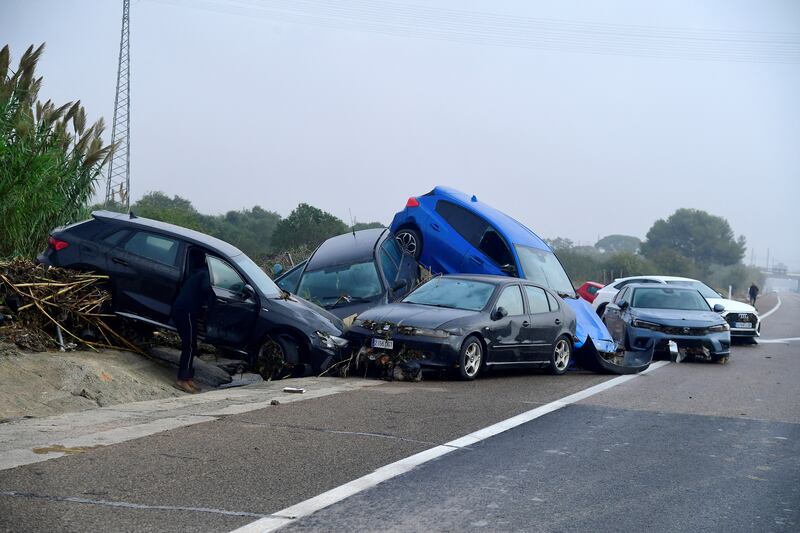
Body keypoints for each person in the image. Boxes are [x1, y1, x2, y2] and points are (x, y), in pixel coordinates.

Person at [170, 254, 214, 393]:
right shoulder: (205, 275)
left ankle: (188, 377)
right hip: (185, 311)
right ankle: (181, 380)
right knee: (188, 345)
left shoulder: (199, 272)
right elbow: (207, 289)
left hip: (187, 310)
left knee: (192, 344)